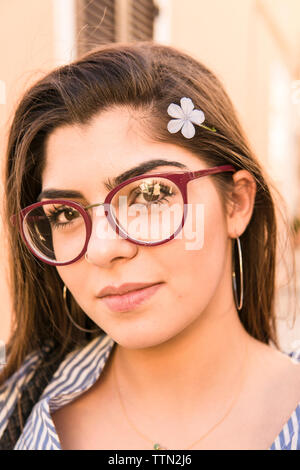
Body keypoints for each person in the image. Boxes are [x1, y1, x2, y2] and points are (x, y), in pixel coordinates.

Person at [0, 40, 299, 450]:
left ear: (237, 203)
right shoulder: (12, 398)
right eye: (65, 214)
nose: (103, 249)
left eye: (151, 194)